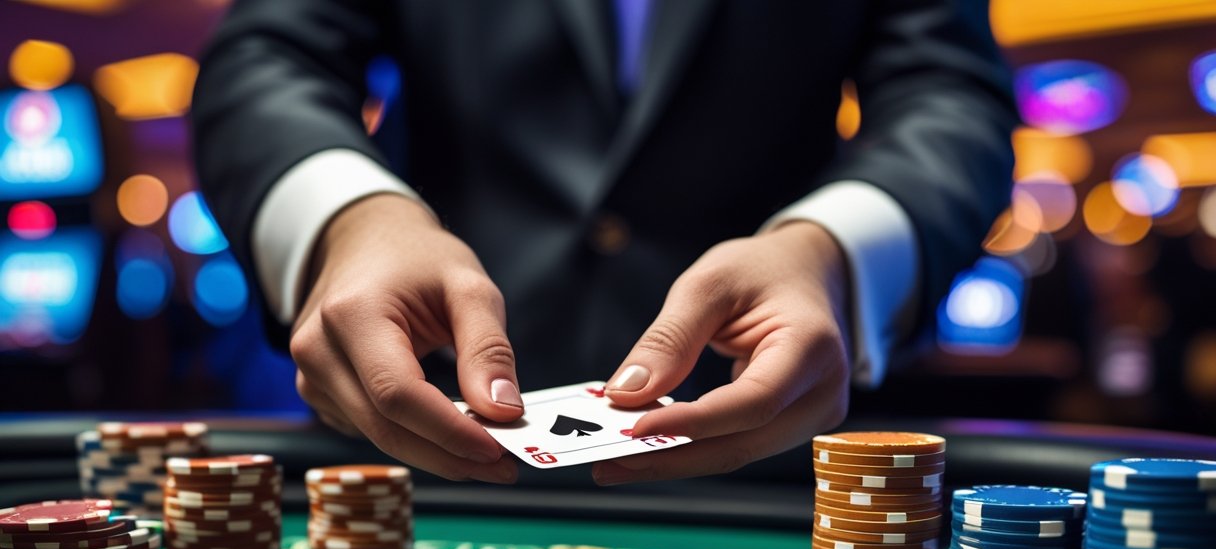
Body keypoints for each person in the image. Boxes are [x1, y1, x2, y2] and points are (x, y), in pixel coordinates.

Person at [193, 0, 1017, 486]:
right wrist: (352, 218)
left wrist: (832, 252)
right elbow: (268, 57)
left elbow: (948, 99)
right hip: (429, 451)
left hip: (771, 456)